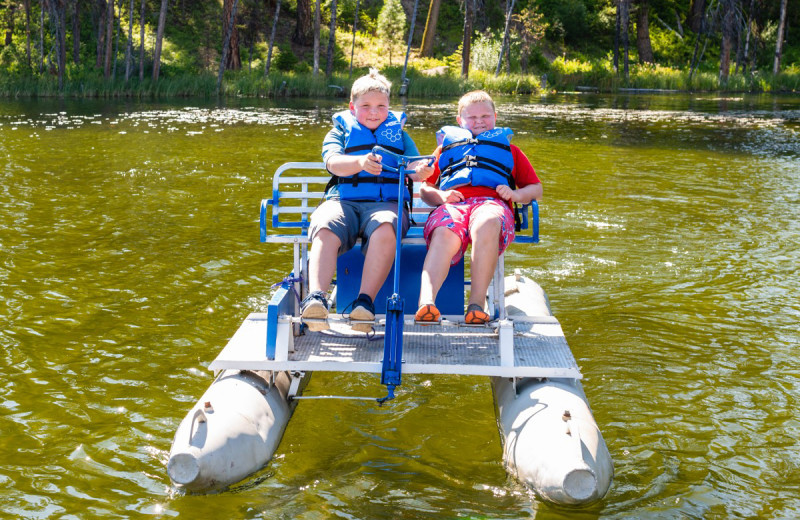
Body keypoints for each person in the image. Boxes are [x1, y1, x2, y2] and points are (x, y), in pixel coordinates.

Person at [301, 68, 433, 332]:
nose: (374, 112)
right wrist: (360, 162)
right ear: (352, 107)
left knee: (387, 226)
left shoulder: (400, 136)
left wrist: (423, 170)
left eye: (381, 106)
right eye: (366, 106)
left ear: (389, 107)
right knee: (326, 224)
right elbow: (333, 163)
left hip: (387, 204)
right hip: (343, 201)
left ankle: (364, 304)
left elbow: (417, 162)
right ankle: (316, 299)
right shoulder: (338, 132)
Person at [414, 90, 542, 324]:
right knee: (445, 231)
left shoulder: (510, 151)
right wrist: (441, 196)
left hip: (491, 204)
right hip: (453, 205)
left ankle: (476, 304)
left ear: (495, 116)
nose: (479, 121)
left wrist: (514, 194)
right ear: (459, 120)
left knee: (487, 222)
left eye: (485, 116)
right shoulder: (445, 149)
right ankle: (427, 303)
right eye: (472, 117)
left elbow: (536, 189)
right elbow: (425, 189)